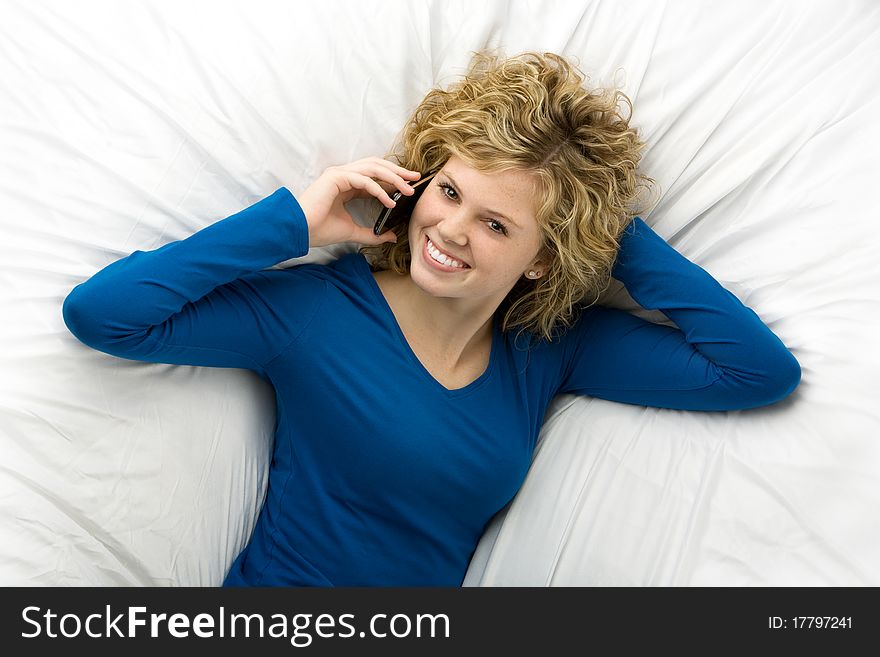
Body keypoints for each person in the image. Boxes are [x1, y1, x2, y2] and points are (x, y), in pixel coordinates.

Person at [61, 50, 801, 587]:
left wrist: (605, 227)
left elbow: (755, 370)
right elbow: (103, 314)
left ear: (542, 260)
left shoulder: (549, 348)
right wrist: (293, 221)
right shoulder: (317, 310)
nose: (450, 230)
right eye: (448, 191)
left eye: (498, 226)